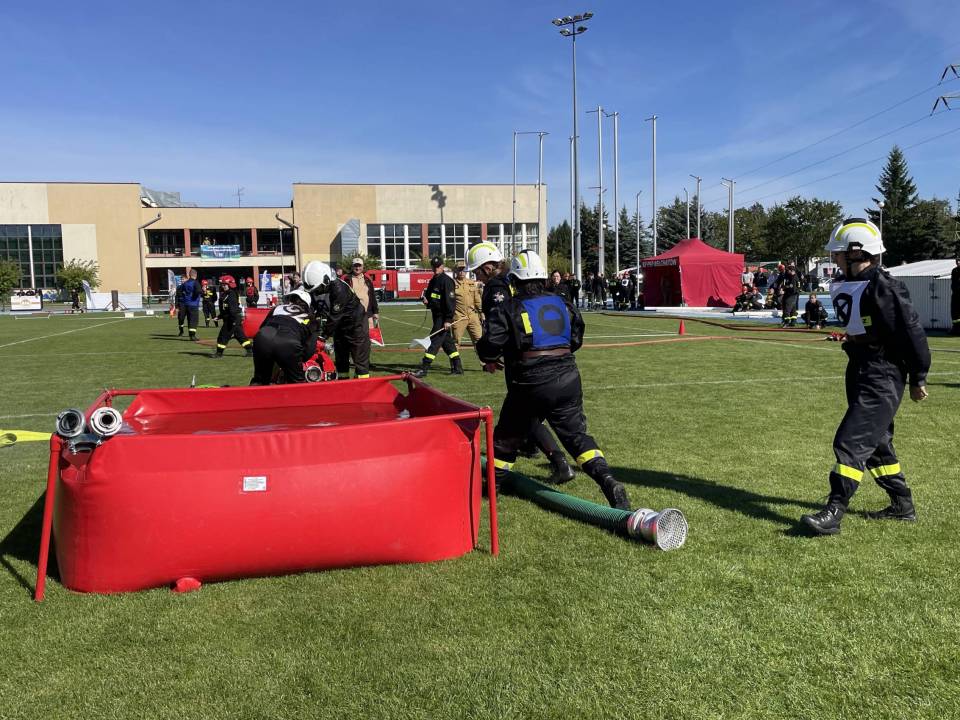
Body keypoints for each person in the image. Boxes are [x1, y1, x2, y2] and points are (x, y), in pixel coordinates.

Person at [801, 218, 930, 535]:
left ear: (857, 252)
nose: (834, 258)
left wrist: (919, 377)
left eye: (838, 253)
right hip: (860, 366)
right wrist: (851, 336)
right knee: (877, 444)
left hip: (882, 374)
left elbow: (912, 332)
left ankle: (834, 511)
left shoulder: (884, 287)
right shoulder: (855, 283)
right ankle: (903, 506)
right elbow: (866, 323)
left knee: (851, 440)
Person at [477, 249, 631, 509]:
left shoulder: (510, 307)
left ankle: (492, 489)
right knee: (577, 437)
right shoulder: (563, 302)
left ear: (514, 280)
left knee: (505, 439)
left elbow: (489, 346)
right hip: (568, 377)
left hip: (530, 381)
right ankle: (608, 481)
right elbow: (576, 338)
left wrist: (495, 354)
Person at [467, 241, 574, 484]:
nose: (476, 277)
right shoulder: (510, 279)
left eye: (476, 271)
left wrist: (491, 356)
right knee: (527, 412)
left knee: (524, 410)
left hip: (520, 358)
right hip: (535, 352)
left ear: (487, 267)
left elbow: (500, 326)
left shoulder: (496, 287)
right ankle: (544, 453)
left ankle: (558, 462)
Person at [302, 260, 371, 379]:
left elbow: (334, 317)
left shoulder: (339, 289)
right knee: (341, 357)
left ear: (326, 280)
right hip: (341, 325)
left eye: (318, 288)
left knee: (359, 359)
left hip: (356, 326)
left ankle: (363, 384)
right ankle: (343, 383)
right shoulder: (326, 287)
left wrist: (322, 337)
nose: (316, 292)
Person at [250, 288, 319, 385]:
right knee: (297, 384)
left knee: (260, 381)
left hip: (263, 337)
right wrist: (298, 360)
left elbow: (262, 327)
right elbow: (309, 348)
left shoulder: (277, 308)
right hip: (288, 342)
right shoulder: (310, 317)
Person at [413, 256, 461, 377]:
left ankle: (424, 368)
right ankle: (458, 368)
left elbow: (450, 302)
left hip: (443, 317)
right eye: (434, 267)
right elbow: (431, 298)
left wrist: (448, 319)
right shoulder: (433, 280)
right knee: (447, 344)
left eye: (438, 267)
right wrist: (426, 301)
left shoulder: (447, 281)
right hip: (436, 316)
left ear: (442, 266)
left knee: (433, 341)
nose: (435, 269)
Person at [212, 275, 252, 358]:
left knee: (223, 336)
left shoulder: (231, 294)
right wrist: (219, 317)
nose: (223, 286)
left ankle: (219, 353)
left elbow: (232, 310)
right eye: (222, 284)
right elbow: (226, 309)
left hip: (232, 319)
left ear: (230, 285)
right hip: (233, 318)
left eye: (225, 284)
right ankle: (250, 350)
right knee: (240, 335)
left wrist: (233, 321)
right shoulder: (226, 294)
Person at [348, 257, 379, 359]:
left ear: (363, 266)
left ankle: (365, 361)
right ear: (352, 266)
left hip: (367, 314)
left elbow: (372, 296)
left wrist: (375, 312)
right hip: (352, 315)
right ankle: (354, 360)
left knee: (367, 340)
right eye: (355, 266)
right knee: (354, 339)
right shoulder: (346, 279)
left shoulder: (367, 279)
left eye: (359, 266)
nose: (357, 268)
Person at [453, 263, 483, 349]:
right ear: (455, 271)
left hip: (472, 316)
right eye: (459, 270)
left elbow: (477, 300)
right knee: (456, 342)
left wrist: (481, 313)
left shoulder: (471, 283)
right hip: (459, 316)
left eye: (463, 270)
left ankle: (482, 358)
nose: (462, 272)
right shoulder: (452, 284)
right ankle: (455, 358)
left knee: (479, 340)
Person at [181, 269, 202, 342]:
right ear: (195, 275)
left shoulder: (185, 283)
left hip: (186, 304)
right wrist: (195, 296)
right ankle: (192, 336)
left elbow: (181, 292)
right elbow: (199, 291)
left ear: (189, 275)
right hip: (193, 304)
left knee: (189, 320)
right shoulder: (195, 282)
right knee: (194, 320)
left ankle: (191, 335)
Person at [951, 255, 960, 336]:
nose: (958, 263)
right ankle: (955, 328)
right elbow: (954, 282)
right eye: (957, 261)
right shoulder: (954, 270)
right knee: (954, 312)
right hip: (955, 294)